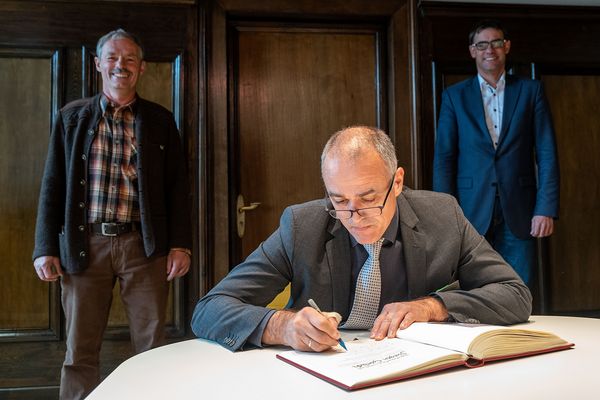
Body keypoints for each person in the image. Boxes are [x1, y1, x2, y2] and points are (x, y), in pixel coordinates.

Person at [191, 125, 532, 353]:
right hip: (326, 374)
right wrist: (283, 326)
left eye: (368, 198)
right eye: (339, 201)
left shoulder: (443, 216)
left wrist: (433, 307)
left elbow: (515, 295)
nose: (354, 216)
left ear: (397, 182)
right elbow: (209, 310)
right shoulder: (302, 225)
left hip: (417, 370)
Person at [32, 29, 192, 399]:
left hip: (144, 246)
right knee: (79, 350)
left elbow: (177, 188)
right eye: (113, 58)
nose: (121, 65)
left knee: (152, 346)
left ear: (142, 67)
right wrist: (45, 247)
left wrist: (180, 245)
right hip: (84, 246)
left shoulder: (160, 120)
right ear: (99, 64)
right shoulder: (71, 118)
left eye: (130, 59)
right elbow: (52, 183)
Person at [432, 20, 559, 286]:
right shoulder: (454, 96)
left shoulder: (530, 91)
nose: (490, 50)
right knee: (474, 289)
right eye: (482, 45)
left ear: (506, 46)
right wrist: (445, 215)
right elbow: (444, 159)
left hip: (521, 209)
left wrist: (545, 208)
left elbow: (546, 153)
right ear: (472, 51)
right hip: (470, 210)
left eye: (496, 43)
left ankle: (516, 331)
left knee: (520, 288)